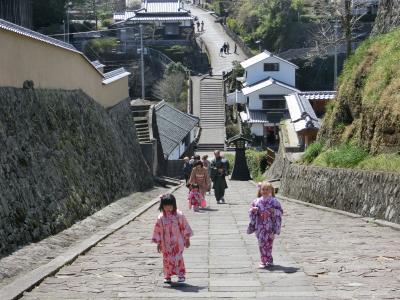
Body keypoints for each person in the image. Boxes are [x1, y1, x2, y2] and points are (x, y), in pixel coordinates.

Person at [152, 194, 193, 284]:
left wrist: (187, 239)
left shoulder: (179, 215)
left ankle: (181, 274)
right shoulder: (161, 217)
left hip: (178, 242)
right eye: (165, 206)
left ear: (174, 205)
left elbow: (184, 226)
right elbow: (158, 230)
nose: (168, 208)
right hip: (165, 243)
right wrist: (158, 243)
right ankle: (167, 276)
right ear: (162, 206)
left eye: (170, 206)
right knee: (166, 259)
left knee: (178, 257)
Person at [247, 182, 283, 268]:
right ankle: (263, 260)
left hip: (270, 226)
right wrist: (253, 210)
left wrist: (274, 211)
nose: (265, 191)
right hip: (260, 226)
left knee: (269, 243)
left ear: (271, 190)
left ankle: (269, 259)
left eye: (267, 189)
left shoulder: (274, 201)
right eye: (263, 189)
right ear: (260, 190)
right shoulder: (256, 201)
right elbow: (250, 211)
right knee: (261, 243)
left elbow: (280, 212)